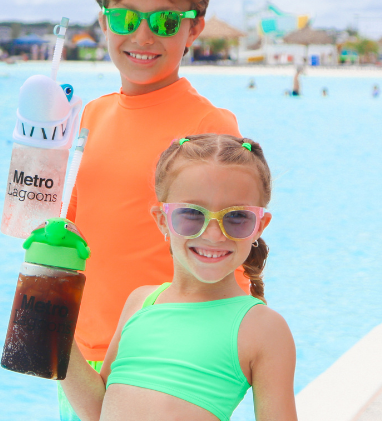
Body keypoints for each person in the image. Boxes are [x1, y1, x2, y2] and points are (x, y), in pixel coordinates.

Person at [60, 0, 244, 419]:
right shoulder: (92, 115)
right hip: (84, 350)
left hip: (167, 355)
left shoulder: (208, 127)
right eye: (125, 18)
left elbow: (229, 244)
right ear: (104, 22)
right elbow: (78, 229)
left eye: (165, 22)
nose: (142, 36)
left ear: (194, 29)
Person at [60, 134, 297, 421]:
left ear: (260, 225)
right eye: (192, 215)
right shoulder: (141, 303)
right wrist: (55, 328)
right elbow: (99, 410)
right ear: (162, 220)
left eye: (236, 217)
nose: (213, 234)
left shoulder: (263, 329)